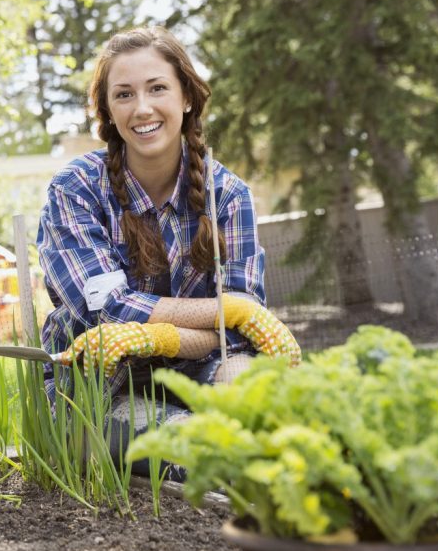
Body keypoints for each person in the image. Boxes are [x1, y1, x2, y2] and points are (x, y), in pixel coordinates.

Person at [36, 26, 300, 481]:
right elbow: (107, 311)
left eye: (157, 88)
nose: (142, 108)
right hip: (96, 389)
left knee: (264, 410)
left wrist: (162, 338)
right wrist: (228, 310)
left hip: (197, 369)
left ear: (187, 97)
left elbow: (239, 336)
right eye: (124, 94)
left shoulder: (226, 195)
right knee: (207, 454)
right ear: (108, 111)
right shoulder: (76, 189)